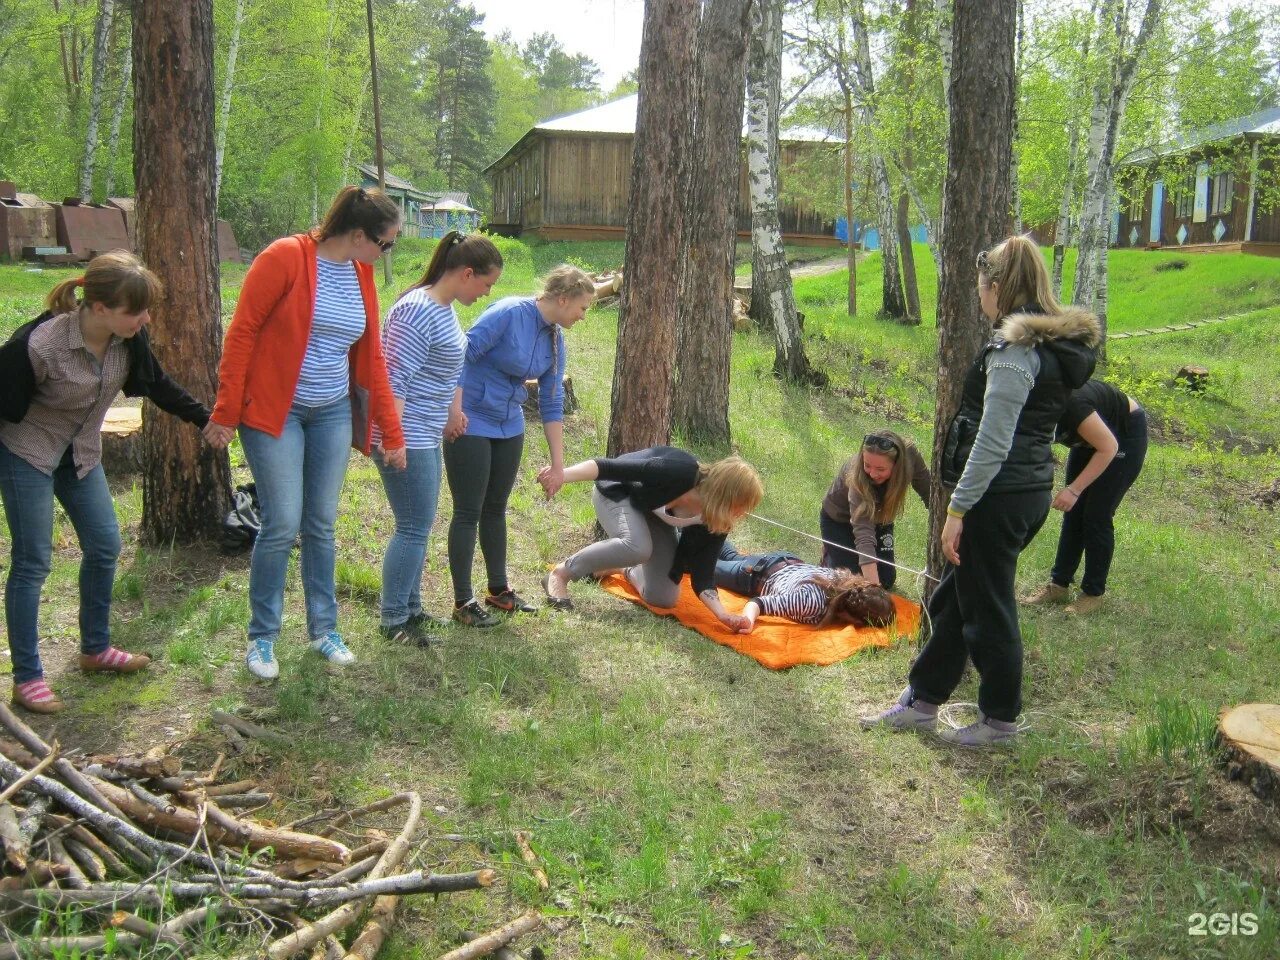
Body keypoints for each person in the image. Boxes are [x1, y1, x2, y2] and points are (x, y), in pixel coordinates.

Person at [861, 235, 1099, 748]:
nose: (979, 296)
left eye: (980, 287)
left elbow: (993, 440)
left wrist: (958, 508)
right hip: (1026, 489)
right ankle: (922, 701)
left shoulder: (1016, 351)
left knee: (987, 608)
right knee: (955, 599)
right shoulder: (1049, 347)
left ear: (997, 287)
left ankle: (999, 721)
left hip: (998, 495)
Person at [205, 186, 406, 680]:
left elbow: (373, 356)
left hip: (332, 411)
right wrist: (226, 411)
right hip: (277, 412)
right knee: (281, 522)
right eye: (387, 244)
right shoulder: (285, 257)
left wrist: (391, 431)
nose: (386, 254)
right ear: (359, 235)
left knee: (320, 522)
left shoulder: (360, 273)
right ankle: (262, 639)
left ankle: (323, 629)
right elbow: (243, 333)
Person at [0, 252, 213, 713]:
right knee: (33, 561)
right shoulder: (40, 346)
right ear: (99, 308)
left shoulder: (127, 340)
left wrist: (205, 420)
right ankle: (27, 678)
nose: (146, 318)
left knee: (104, 545)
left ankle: (95, 650)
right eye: (135, 311)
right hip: (28, 454)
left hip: (80, 455)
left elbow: (158, 384)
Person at [443, 265, 595, 627]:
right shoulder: (509, 313)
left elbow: (552, 400)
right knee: (468, 510)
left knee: (495, 507)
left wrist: (559, 466)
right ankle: (463, 601)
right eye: (583, 307)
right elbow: (462, 356)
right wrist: (455, 410)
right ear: (562, 299)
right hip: (471, 418)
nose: (583, 315)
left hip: (509, 424)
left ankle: (499, 591)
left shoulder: (555, 339)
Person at [374, 232, 503, 646]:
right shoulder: (416, 311)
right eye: (486, 284)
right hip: (406, 434)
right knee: (412, 526)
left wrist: (452, 412)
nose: (487, 293)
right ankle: (394, 619)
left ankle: (410, 607)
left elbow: (445, 370)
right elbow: (394, 380)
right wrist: (393, 439)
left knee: (419, 524)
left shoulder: (443, 309)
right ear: (467, 273)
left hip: (425, 431)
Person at [542, 447, 764, 630]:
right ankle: (560, 574)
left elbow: (703, 575)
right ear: (726, 495)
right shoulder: (678, 471)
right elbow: (606, 467)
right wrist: (561, 475)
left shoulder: (716, 519)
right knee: (638, 547)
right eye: (742, 505)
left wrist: (722, 615)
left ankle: (620, 569)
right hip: (618, 494)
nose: (742, 513)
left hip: (648, 513)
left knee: (663, 596)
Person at [1021, 379, 1147, 615]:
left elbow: (1108, 447)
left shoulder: (1072, 406)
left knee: (1097, 515)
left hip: (1122, 433)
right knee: (1074, 512)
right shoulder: (1028, 407)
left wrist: (1073, 489)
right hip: (1091, 433)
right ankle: (1059, 585)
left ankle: (1093, 593)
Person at [819, 430, 931, 589]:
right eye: (867, 465)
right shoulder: (856, 478)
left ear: (897, 465)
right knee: (850, 583)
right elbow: (863, 535)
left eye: (880, 469)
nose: (872, 473)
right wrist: (873, 591)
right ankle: (829, 555)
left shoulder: (909, 456)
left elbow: (929, 492)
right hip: (839, 521)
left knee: (885, 580)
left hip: (879, 520)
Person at [713, 542, 896, 633]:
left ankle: (703, 523)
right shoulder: (811, 602)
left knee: (729, 555)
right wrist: (747, 620)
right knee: (702, 566)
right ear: (856, 619)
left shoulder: (845, 582)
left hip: (783, 561)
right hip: (755, 575)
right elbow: (759, 602)